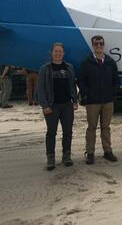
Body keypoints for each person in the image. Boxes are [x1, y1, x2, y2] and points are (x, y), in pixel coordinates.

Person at [78, 35, 119, 164]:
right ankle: (90, 153)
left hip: (108, 101)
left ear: (104, 45)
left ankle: (108, 151)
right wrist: (89, 94)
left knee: (106, 127)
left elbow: (116, 80)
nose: (99, 46)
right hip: (92, 102)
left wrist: (112, 94)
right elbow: (81, 81)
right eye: (96, 44)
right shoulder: (86, 63)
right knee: (91, 128)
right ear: (93, 45)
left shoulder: (110, 62)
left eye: (101, 43)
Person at [37, 43, 78, 171]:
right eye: (56, 51)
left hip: (67, 105)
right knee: (51, 132)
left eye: (60, 51)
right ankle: (50, 157)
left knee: (68, 132)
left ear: (63, 53)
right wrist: (44, 105)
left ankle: (66, 156)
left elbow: (72, 85)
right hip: (52, 106)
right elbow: (40, 89)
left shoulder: (69, 67)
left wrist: (75, 100)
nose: (58, 53)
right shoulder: (45, 68)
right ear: (51, 53)